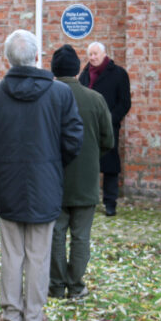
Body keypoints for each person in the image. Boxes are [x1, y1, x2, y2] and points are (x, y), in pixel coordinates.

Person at [0, 30, 83, 321]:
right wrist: (52, 162)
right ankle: (33, 317)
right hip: (45, 184)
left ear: (7, 59)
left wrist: (5, 154)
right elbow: (74, 141)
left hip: (8, 183)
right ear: (37, 57)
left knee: (12, 253)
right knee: (38, 253)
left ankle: (11, 315)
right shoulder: (60, 94)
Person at [48, 44, 114, 300]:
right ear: (77, 69)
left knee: (55, 234)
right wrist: (90, 159)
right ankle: (76, 286)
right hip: (85, 178)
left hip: (54, 178)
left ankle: (56, 285)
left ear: (54, 70)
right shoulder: (94, 99)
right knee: (80, 236)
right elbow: (108, 140)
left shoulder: (46, 98)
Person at [78, 41, 131, 216]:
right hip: (88, 126)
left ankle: (110, 202)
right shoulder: (85, 75)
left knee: (110, 165)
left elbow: (124, 103)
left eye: (95, 54)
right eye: (90, 54)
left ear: (104, 54)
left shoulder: (118, 74)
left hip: (109, 126)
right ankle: (88, 200)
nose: (92, 57)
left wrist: (110, 120)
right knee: (88, 164)